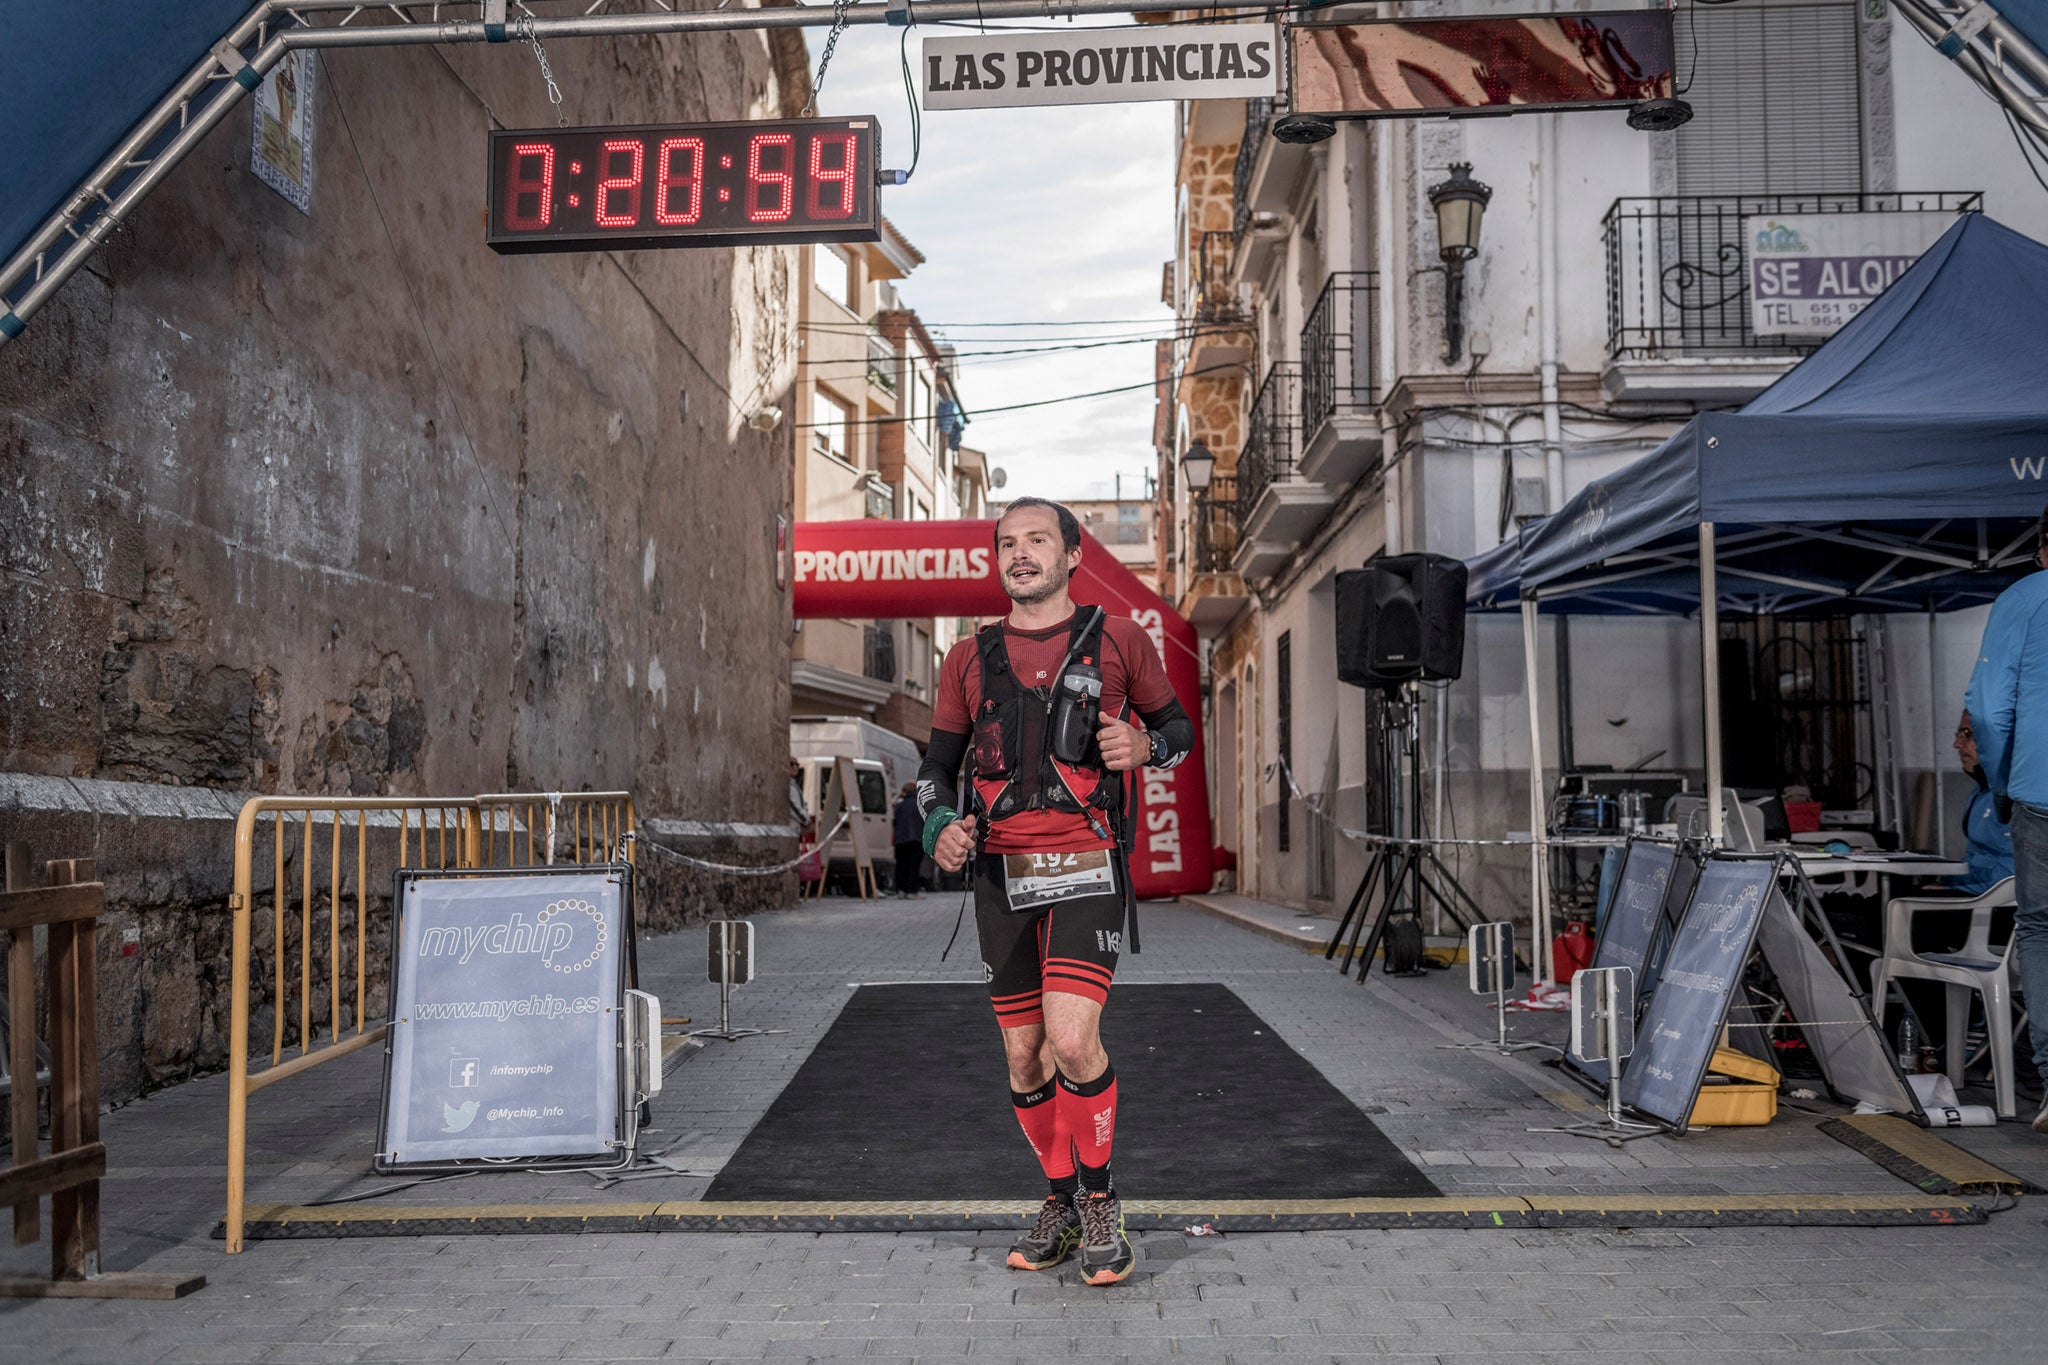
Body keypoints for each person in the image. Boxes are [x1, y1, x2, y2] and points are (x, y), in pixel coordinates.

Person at [917, 497, 1194, 1286]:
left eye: (1038, 539)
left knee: (1072, 1039)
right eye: (1007, 542)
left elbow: (1179, 729)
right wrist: (940, 819)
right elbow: (937, 769)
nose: (1021, 553)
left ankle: (1103, 1202)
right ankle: (1060, 1202)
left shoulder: (1120, 639)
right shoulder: (968, 659)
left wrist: (1146, 744)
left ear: (1073, 554)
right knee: (1024, 1052)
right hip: (1002, 873)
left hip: (1087, 866)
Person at [1964, 502, 2048, 1135]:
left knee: (2042, 931)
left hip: (2040, 795)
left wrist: (1999, 783)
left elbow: (1990, 710)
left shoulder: (2025, 597)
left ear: (2043, 547)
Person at [1947, 709, 2014, 896]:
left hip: (1995, 907)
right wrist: (1944, 879)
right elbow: (1972, 861)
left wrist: (1952, 888)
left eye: (1967, 734)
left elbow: (2014, 878)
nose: (1957, 744)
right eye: (1958, 734)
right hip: (1977, 895)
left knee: (1884, 907)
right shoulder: (1981, 791)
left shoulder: (2021, 796)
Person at [891, 782, 925, 899]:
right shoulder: (921, 805)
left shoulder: (900, 805)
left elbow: (894, 821)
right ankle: (912, 891)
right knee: (914, 866)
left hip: (901, 840)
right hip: (917, 839)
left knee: (901, 865)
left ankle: (901, 890)